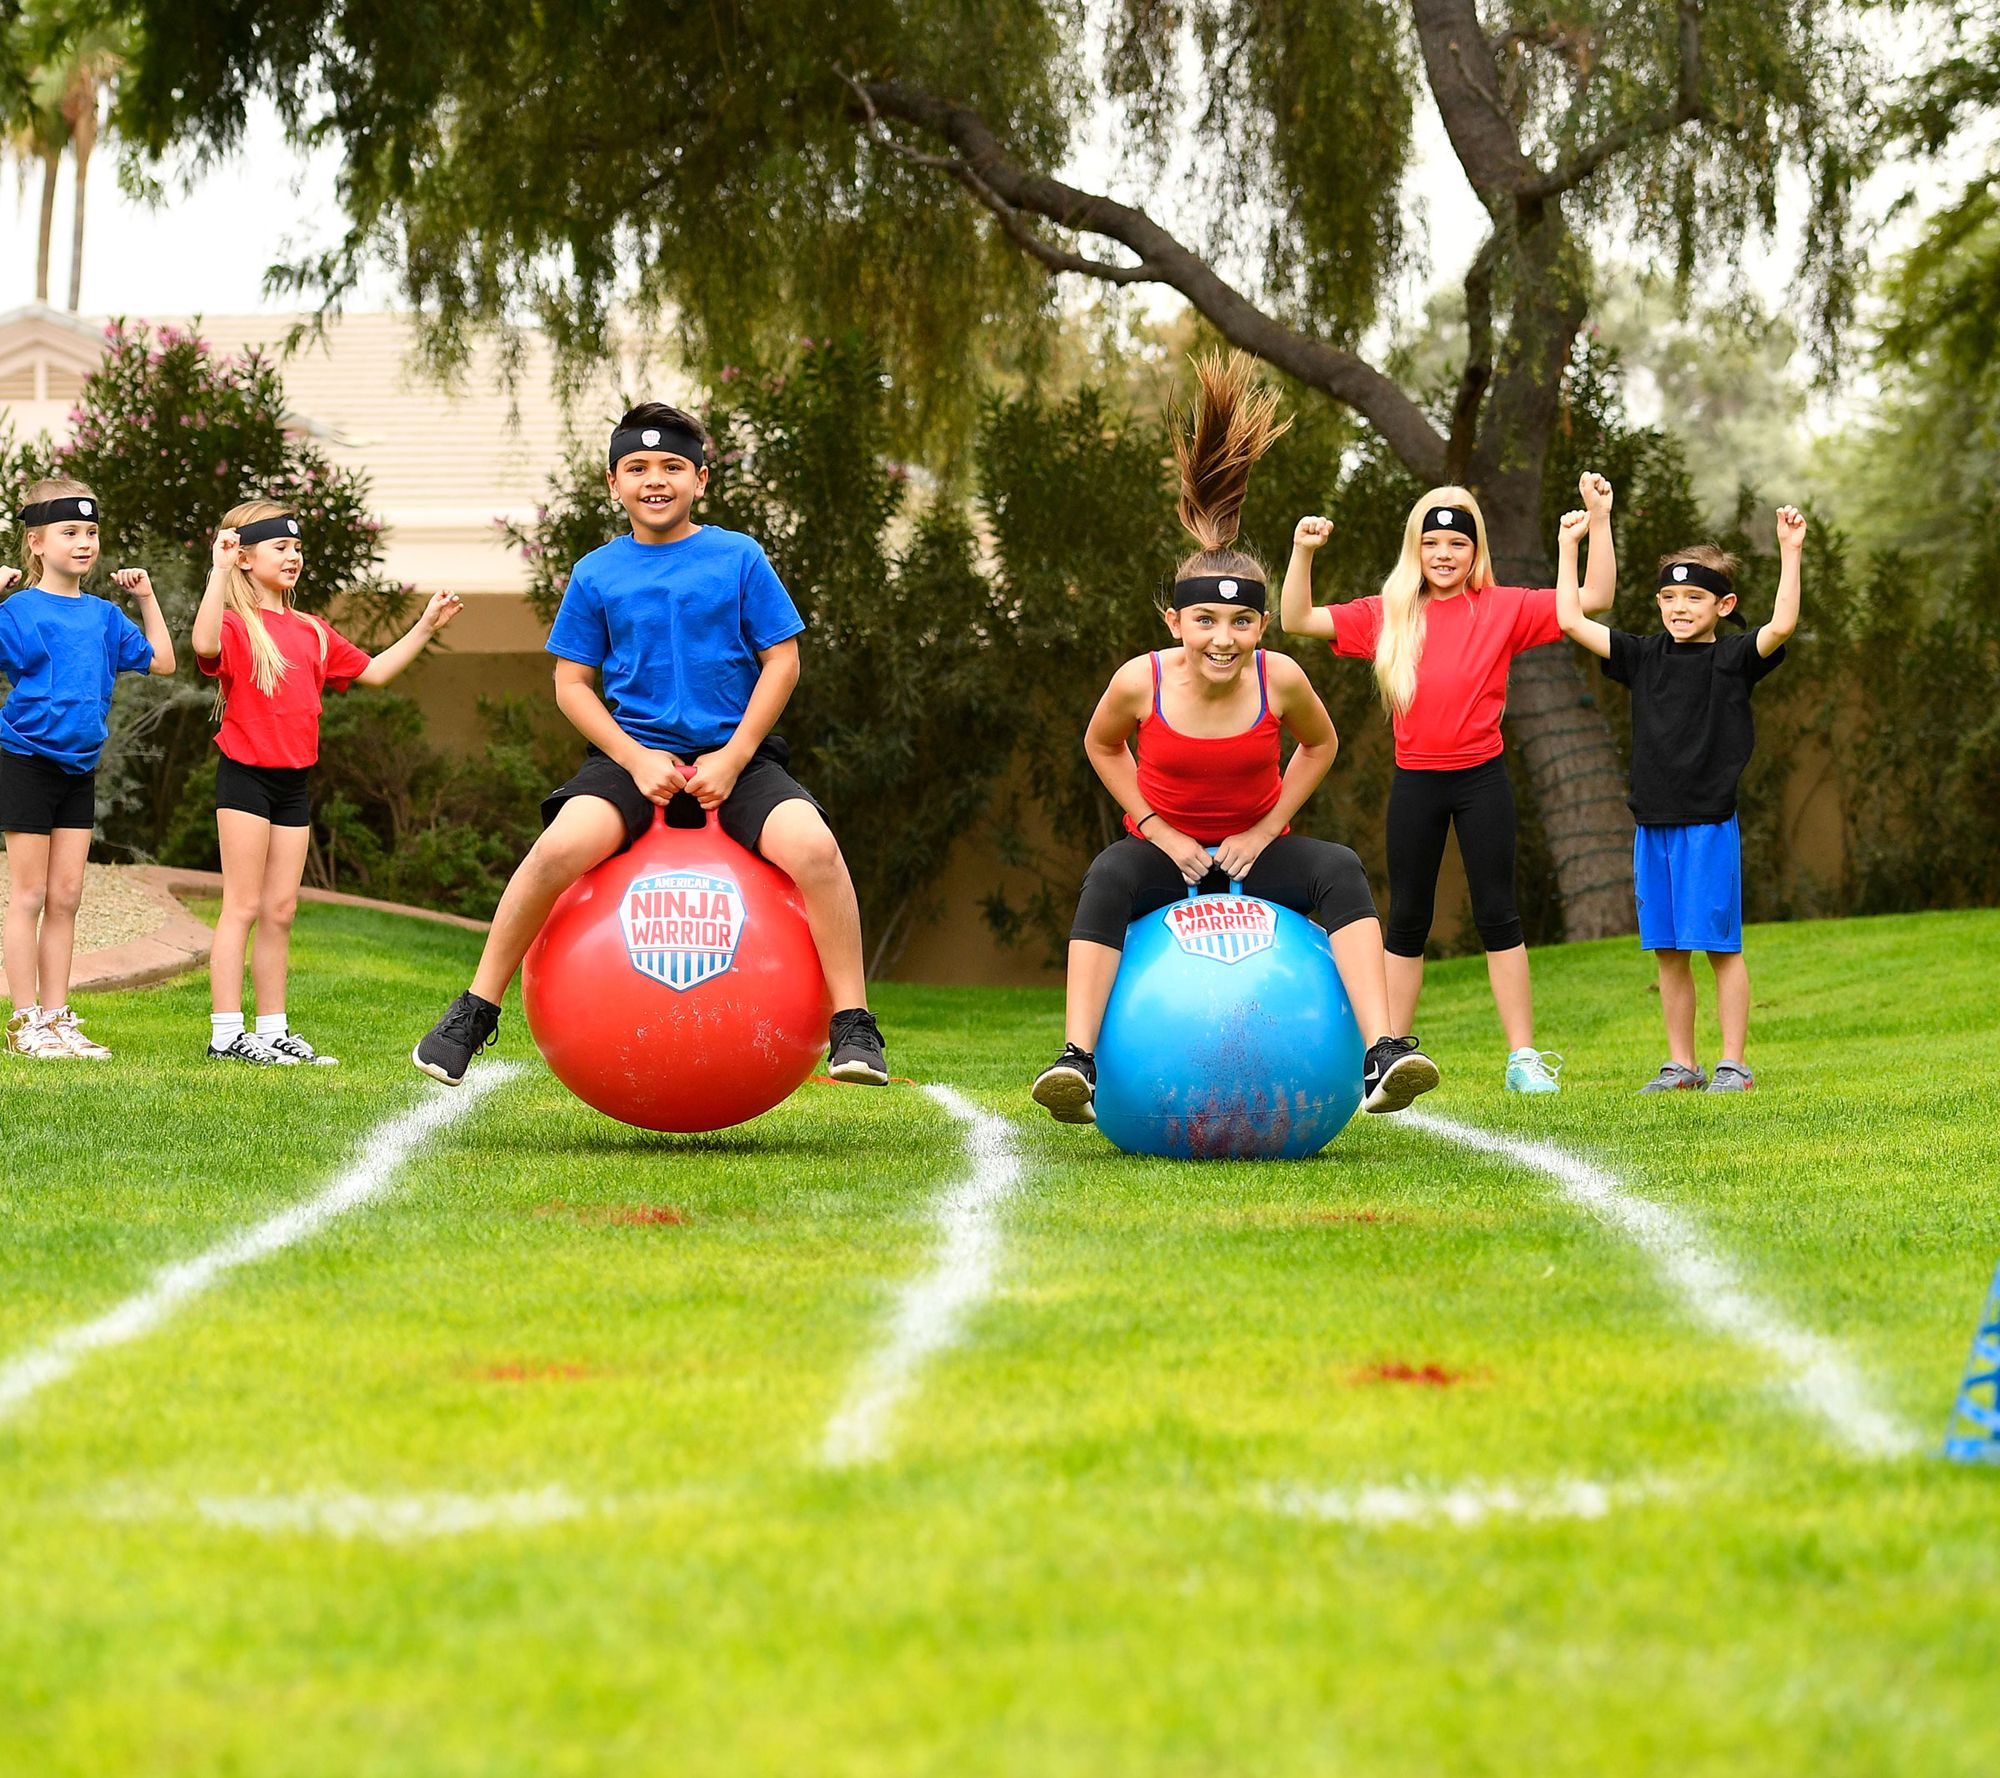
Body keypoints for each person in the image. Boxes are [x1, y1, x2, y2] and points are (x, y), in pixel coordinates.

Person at [412, 402, 889, 1088]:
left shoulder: (738, 557)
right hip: (630, 759)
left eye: (671, 466)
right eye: (636, 467)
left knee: (814, 847)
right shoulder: (596, 572)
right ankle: (475, 1011)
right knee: (556, 849)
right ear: (613, 484)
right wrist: (634, 760)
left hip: (739, 759)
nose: (654, 480)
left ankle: (854, 1026)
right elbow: (572, 683)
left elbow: (782, 659)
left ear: (700, 479)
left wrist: (732, 756)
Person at [1030, 352, 1439, 1126]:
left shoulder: (1279, 678)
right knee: (1106, 879)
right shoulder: (1138, 681)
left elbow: (1319, 747)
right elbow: (1101, 747)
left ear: (1260, 623)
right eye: (1206, 622)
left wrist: (1262, 829)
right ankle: (1077, 1060)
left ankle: (1383, 1049)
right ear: (1175, 622)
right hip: (1165, 853)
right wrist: (1157, 829)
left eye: (1242, 621)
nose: (1224, 638)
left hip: (1257, 850)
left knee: (1342, 869)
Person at [1281, 475, 1617, 1093]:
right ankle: (1386, 1060)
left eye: (1456, 544)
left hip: (1482, 780)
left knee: (1498, 914)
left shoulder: (1505, 605)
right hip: (1417, 785)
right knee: (1407, 916)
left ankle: (1522, 1059)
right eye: (1432, 542)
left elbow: (1592, 597)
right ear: (1417, 549)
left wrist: (1597, 520)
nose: (1444, 553)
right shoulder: (1387, 615)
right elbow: (1296, 617)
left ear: (1474, 551)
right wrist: (1303, 551)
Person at [193, 501, 463, 1065]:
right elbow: (203, 648)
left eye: (296, 548)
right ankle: (225, 1035)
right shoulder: (237, 625)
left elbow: (377, 671)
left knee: (281, 909)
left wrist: (425, 625)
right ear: (245, 558)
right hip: (245, 779)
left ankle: (271, 1031)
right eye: (279, 548)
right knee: (241, 905)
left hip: (293, 784)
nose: (293, 557)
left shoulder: (313, 631)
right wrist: (217, 571)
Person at [1554, 501, 1803, 1092]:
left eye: (1694, 599)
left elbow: (1784, 625)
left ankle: (1733, 1064)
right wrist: (1574, 543)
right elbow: (1569, 619)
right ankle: (1681, 1065)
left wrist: (1790, 553)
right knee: (1668, 951)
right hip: (1653, 826)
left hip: (1708, 825)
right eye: (1669, 598)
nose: (1679, 608)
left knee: (1719, 947)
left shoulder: (1734, 657)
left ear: (1724, 606)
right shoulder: (1642, 656)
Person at [0, 478, 176, 1058]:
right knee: (28, 895)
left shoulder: (103, 617)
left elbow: (165, 662)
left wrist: (146, 598)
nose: (83, 543)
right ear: (36, 543)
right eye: (69, 532)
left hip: (78, 769)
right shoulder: (19, 610)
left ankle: (56, 1016)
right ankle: (25, 1019)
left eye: (91, 532)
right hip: (25, 762)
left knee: (67, 894)